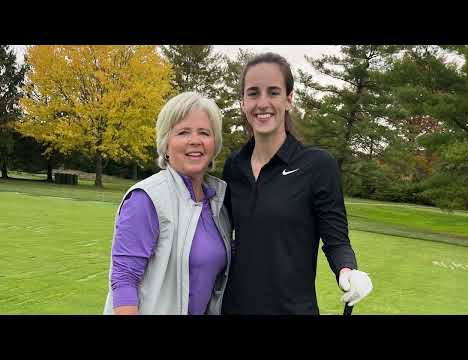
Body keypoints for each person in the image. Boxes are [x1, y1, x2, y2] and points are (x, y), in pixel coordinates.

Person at [221, 53, 372, 315]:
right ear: (243, 102)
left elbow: (336, 240)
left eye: (274, 92)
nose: (263, 103)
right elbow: (221, 236)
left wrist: (347, 270)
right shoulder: (234, 166)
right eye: (253, 93)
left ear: (289, 99)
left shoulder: (318, 165)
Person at [103, 91, 231, 315]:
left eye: (204, 132)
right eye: (183, 132)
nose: (195, 141)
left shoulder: (217, 202)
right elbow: (124, 279)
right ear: (166, 144)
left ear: (215, 144)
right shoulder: (147, 198)